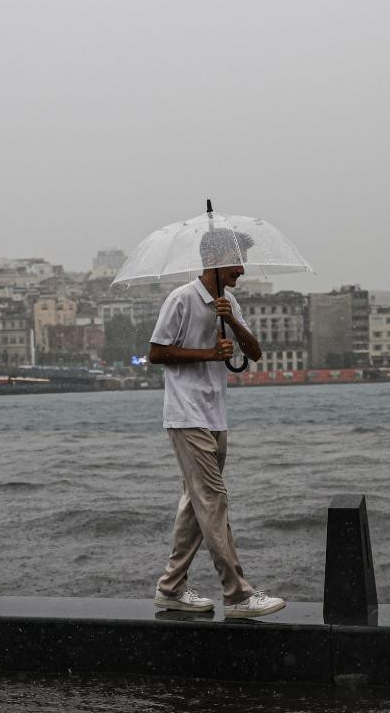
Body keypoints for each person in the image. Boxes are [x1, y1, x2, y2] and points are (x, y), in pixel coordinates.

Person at [147, 228, 285, 618]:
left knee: (196, 502)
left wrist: (234, 323)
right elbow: (156, 353)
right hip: (186, 414)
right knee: (213, 499)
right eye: (237, 260)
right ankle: (238, 593)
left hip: (214, 414)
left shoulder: (228, 301)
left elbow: (254, 353)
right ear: (216, 258)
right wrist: (209, 353)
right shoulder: (182, 298)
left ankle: (171, 588)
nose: (242, 268)